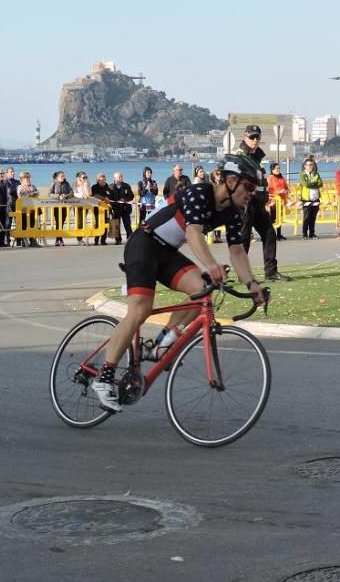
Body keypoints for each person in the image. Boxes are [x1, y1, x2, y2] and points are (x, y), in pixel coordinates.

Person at [90, 154, 267, 413]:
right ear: (230, 181)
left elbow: (237, 251)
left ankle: (162, 341)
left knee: (203, 290)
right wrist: (211, 264)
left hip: (167, 252)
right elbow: (192, 234)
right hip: (144, 244)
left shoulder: (233, 212)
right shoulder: (199, 193)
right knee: (140, 309)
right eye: (249, 187)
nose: (251, 194)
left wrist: (252, 285)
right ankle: (104, 377)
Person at [236, 124, 290, 281]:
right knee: (244, 239)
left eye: (257, 137)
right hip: (245, 204)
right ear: (244, 138)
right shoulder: (241, 155)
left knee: (269, 234)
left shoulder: (258, 156)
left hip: (258, 204)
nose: (254, 140)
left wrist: (264, 196)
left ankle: (271, 273)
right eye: (251, 137)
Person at [298, 158, 323, 239]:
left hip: (315, 198)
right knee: (306, 217)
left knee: (313, 217)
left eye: (311, 164)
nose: (310, 166)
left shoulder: (316, 174)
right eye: (308, 165)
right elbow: (306, 184)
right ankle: (304, 234)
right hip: (306, 199)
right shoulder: (302, 174)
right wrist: (314, 183)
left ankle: (312, 233)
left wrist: (313, 183)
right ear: (305, 166)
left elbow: (320, 183)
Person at [16, 171, 41, 247]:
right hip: (23, 209)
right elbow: (20, 195)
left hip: (32, 209)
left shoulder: (32, 186)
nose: (28, 179)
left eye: (29, 177)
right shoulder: (20, 187)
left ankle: (32, 240)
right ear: (22, 179)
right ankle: (24, 241)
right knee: (24, 225)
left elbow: (37, 193)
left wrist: (33, 194)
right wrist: (30, 194)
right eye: (26, 177)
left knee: (32, 225)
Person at [266, 162, 290, 240]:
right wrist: (279, 192)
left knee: (280, 218)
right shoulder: (270, 178)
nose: (278, 170)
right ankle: (271, 234)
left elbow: (285, 186)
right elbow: (270, 189)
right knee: (273, 218)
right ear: (272, 169)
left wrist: (286, 190)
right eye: (277, 168)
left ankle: (279, 234)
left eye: (279, 168)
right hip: (274, 201)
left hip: (282, 200)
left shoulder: (281, 177)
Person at [49, 171, 72, 246]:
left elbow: (72, 192)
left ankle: (59, 239)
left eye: (64, 176)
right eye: (62, 176)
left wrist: (66, 196)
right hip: (56, 206)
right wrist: (58, 196)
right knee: (58, 222)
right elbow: (49, 194)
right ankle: (59, 239)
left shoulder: (67, 183)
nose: (63, 177)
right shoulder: (54, 184)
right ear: (57, 177)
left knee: (62, 222)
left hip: (65, 206)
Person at [111, 172, 134, 244]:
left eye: (121, 177)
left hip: (125, 208)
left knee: (127, 224)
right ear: (115, 178)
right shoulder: (110, 186)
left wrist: (125, 199)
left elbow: (131, 196)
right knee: (115, 224)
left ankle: (130, 239)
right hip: (115, 208)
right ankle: (117, 240)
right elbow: (108, 197)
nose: (121, 178)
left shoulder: (126, 186)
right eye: (119, 177)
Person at [90, 173, 113, 245]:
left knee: (106, 224)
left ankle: (103, 240)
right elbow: (95, 195)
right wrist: (104, 198)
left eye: (104, 180)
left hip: (107, 209)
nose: (103, 181)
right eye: (101, 180)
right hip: (97, 209)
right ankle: (96, 240)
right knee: (97, 224)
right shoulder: (94, 187)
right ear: (98, 180)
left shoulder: (108, 187)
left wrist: (108, 198)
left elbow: (111, 195)